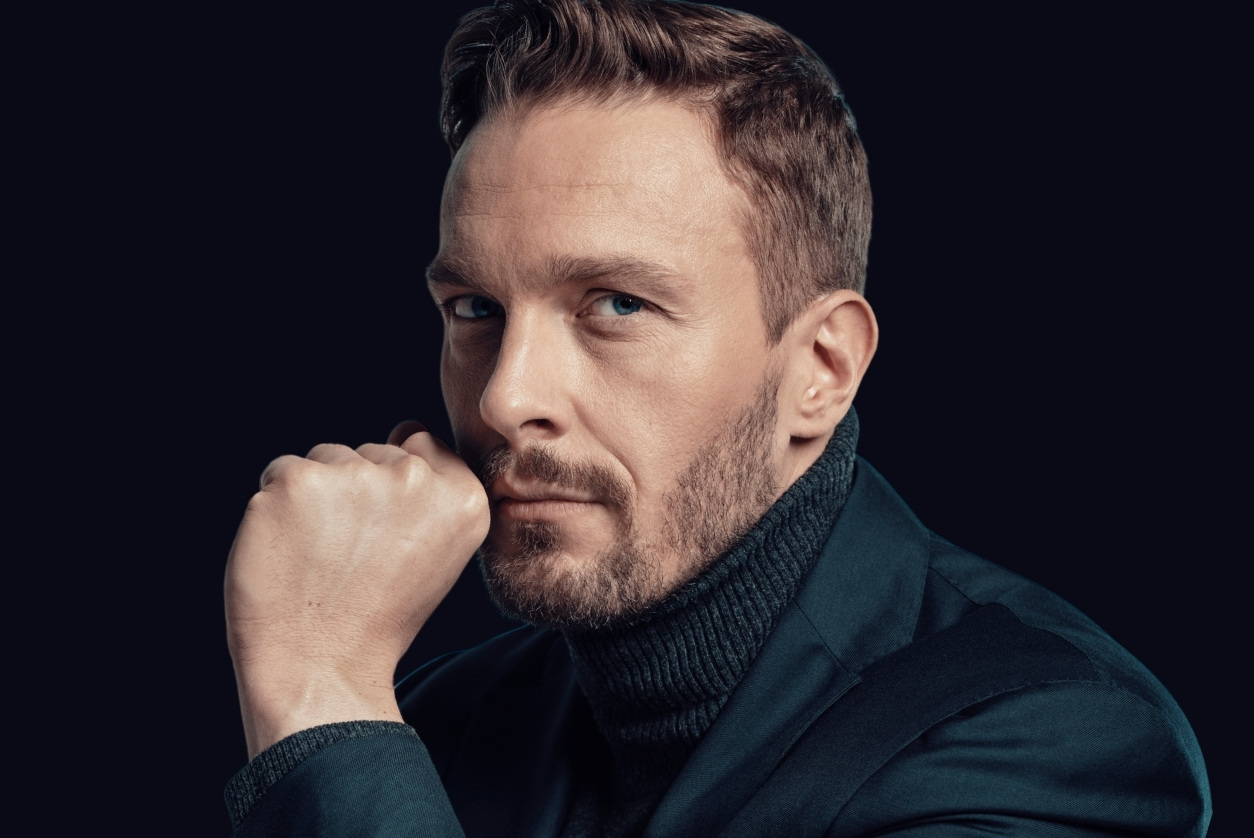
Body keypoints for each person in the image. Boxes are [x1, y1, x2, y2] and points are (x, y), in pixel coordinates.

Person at [222, 0, 1211, 835]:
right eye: (475, 308)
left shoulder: (1051, 740)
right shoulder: (436, 719)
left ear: (822, 368)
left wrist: (322, 689)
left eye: (617, 304)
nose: (504, 398)